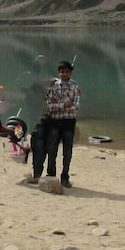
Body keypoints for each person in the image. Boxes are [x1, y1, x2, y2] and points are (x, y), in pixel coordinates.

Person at [44, 60, 80, 188]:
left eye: (67, 71)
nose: (64, 74)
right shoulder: (53, 87)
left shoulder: (75, 87)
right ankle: (51, 174)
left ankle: (65, 177)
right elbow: (48, 106)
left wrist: (57, 106)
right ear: (58, 73)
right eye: (62, 71)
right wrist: (64, 105)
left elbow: (76, 106)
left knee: (68, 152)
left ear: (70, 72)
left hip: (69, 123)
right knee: (52, 149)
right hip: (54, 122)